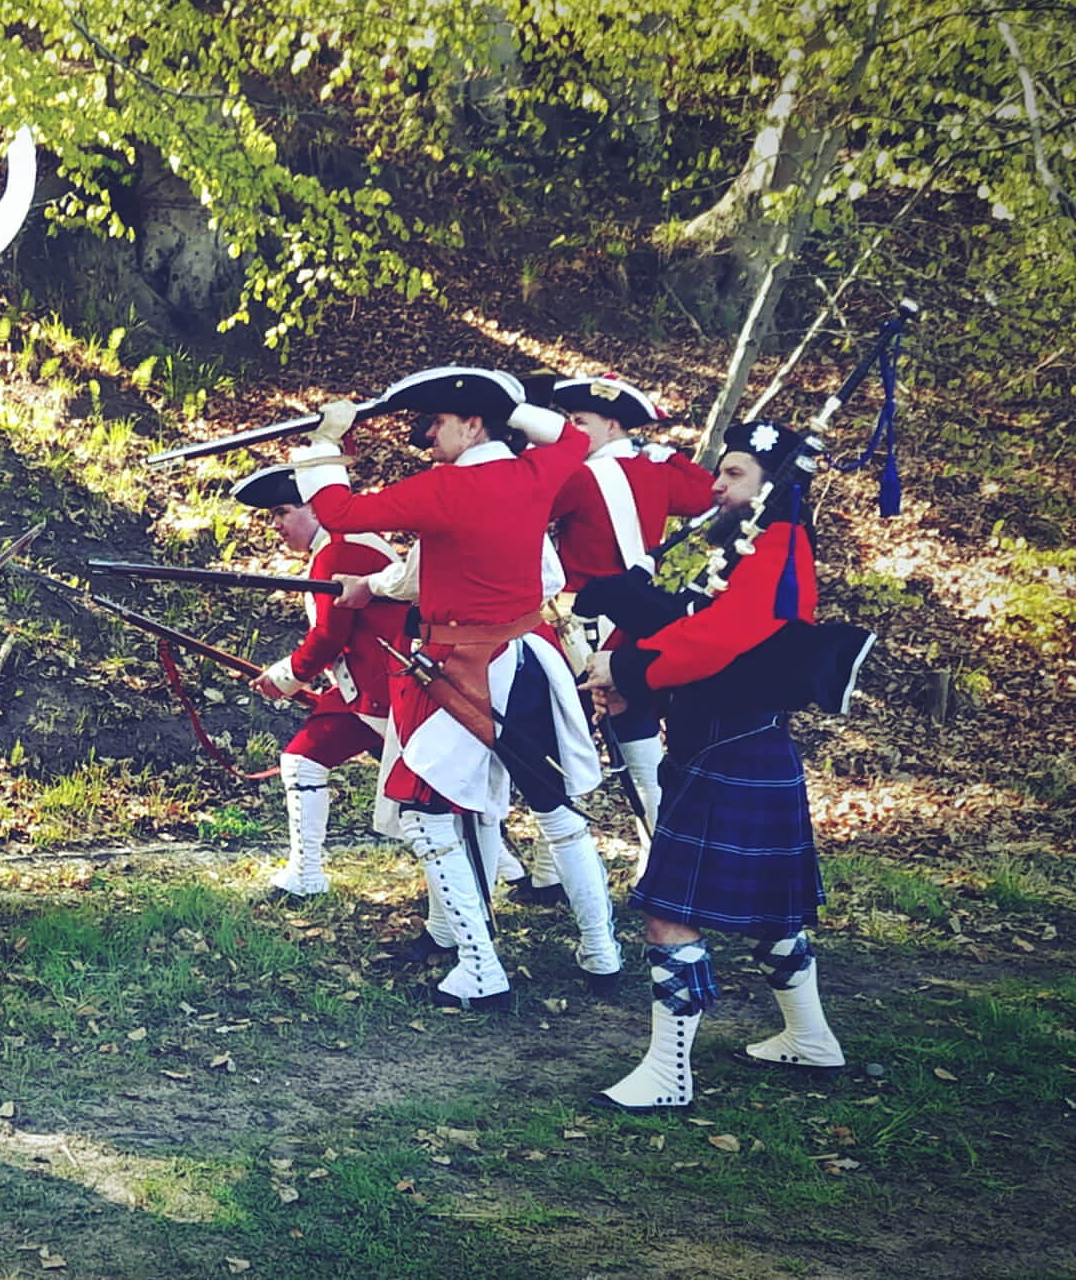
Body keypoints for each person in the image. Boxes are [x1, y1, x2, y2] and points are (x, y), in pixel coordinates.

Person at [291, 367, 621, 1009]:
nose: (427, 435)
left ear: (473, 423)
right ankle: (601, 950)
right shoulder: (535, 472)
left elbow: (338, 512)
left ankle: (479, 966)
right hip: (532, 658)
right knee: (556, 813)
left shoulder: (446, 488)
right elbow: (572, 443)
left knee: (426, 813)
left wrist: (326, 443)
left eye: (438, 423)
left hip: (467, 667)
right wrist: (516, 408)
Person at [583, 419, 846, 1112]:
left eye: (733, 474)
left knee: (670, 914)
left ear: (771, 486)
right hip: (730, 744)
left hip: (736, 746)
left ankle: (669, 1074)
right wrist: (629, 606)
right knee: (771, 915)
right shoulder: (752, 546)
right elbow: (694, 618)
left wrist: (629, 667)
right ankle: (811, 1036)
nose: (716, 485)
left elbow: (720, 639)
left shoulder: (783, 547)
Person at [511, 375, 713, 899]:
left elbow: (521, 511)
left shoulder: (579, 476)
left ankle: (554, 873)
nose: (569, 432)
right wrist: (666, 456)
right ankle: (656, 867)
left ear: (613, 425)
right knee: (641, 749)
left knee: (559, 746)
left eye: (580, 423)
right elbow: (702, 494)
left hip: (582, 626)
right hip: (636, 623)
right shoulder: (656, 472)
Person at [233, 464, 406, 898]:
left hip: (386, 690)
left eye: (284, 511)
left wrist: (287, 677)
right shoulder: (340, 544)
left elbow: (330, 635)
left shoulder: (337, 550)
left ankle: (306, 876)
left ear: (315, 507)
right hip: (368, 686)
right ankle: (304, 874)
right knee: (303, 760)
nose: (276, 525)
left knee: (435, 805)